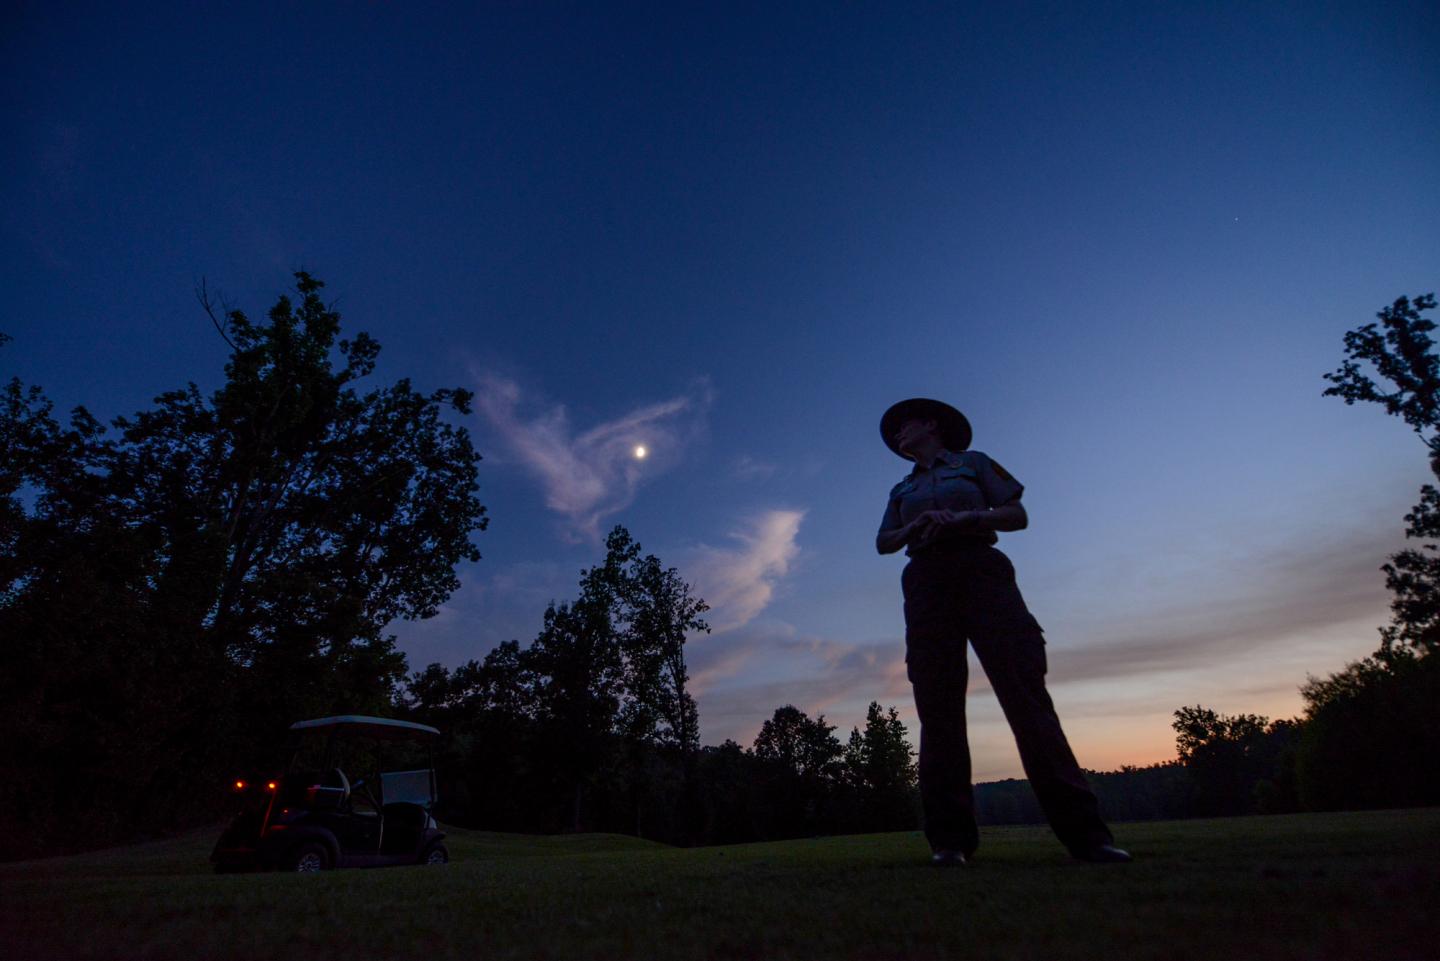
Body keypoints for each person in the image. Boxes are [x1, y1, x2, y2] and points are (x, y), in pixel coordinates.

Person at [875, 397, 1131, 865]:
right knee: (938, 707)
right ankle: (949, 844)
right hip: (926, 583)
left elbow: (1016, 514)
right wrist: (916, 525)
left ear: (931, 425)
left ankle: (1088, 837)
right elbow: (883, 543)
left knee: (1026, 697)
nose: (897, 436)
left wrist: (968, 518)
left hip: (983, 572)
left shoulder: (973, 464)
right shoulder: (900, 489)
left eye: (903, 426)